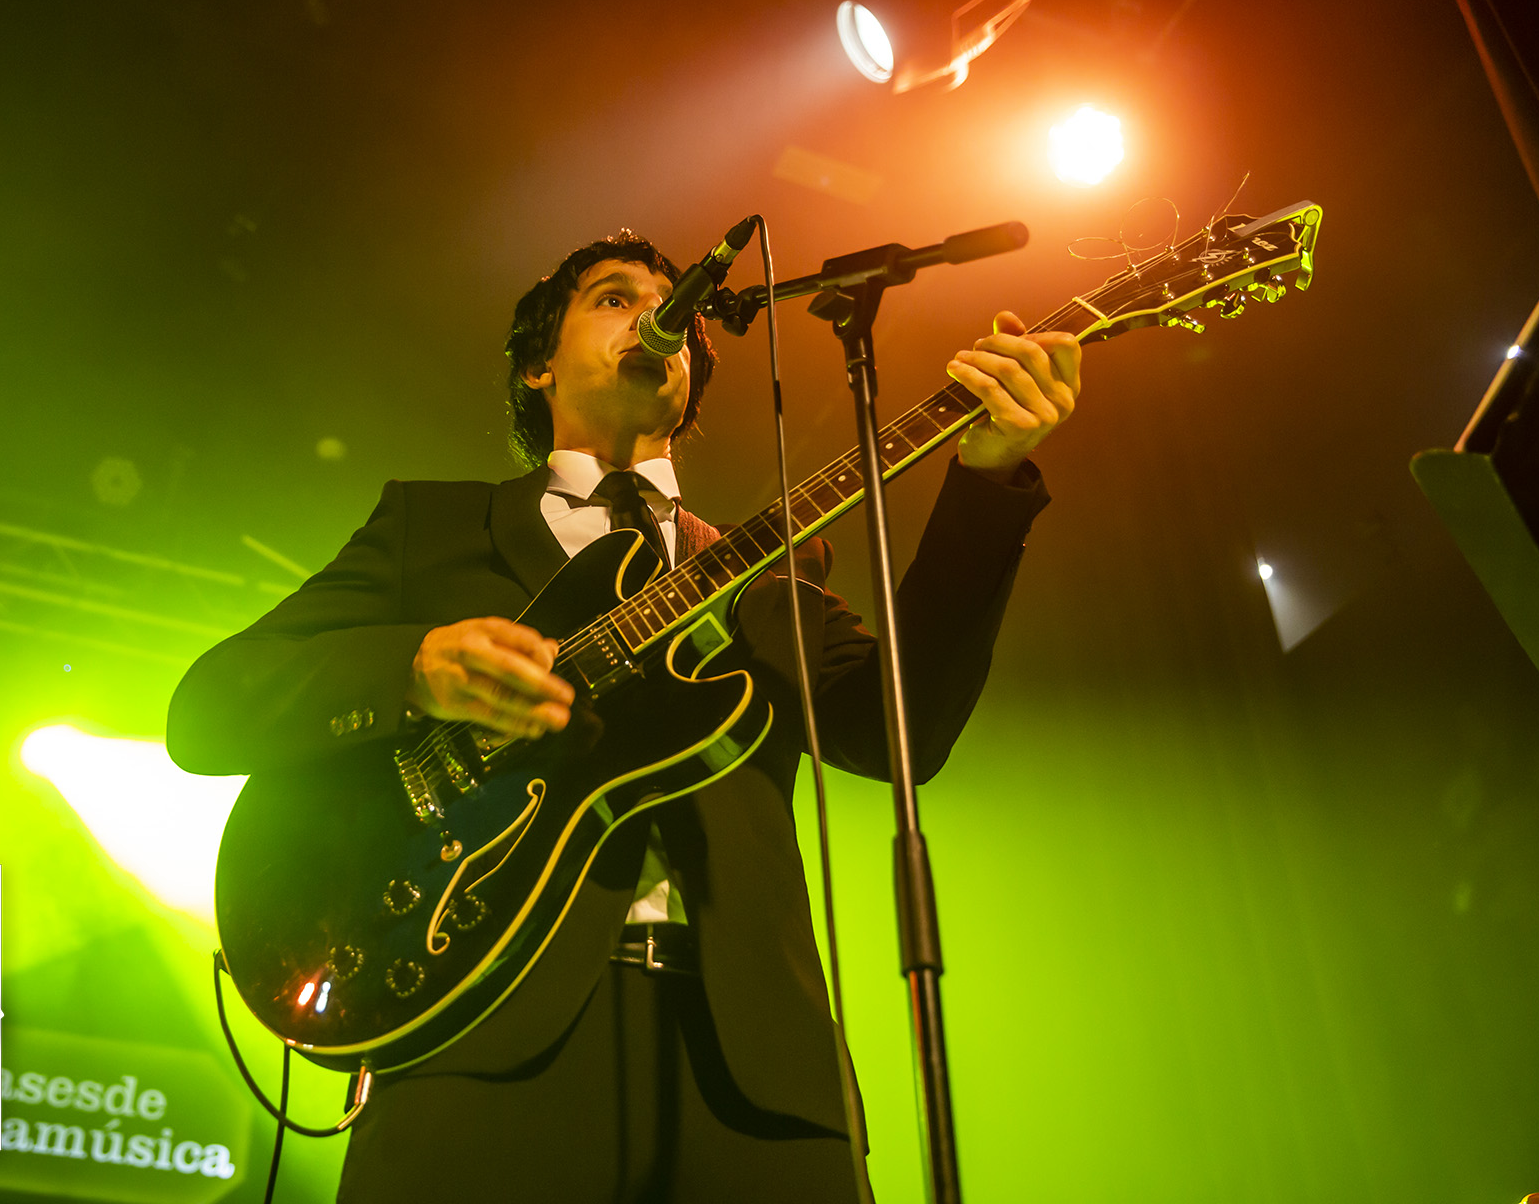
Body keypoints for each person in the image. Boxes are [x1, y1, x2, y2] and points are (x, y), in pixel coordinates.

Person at [166, 230, 1079, 1202]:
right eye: (613, 298)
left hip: (751, 1074)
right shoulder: (430, 528)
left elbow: (906, 734)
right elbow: (209, 709)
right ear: (537, 365)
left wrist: (986, 483)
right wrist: (414, 668)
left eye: (670, 308)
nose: (654, 316)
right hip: (479, 1041)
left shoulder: (770, 572)